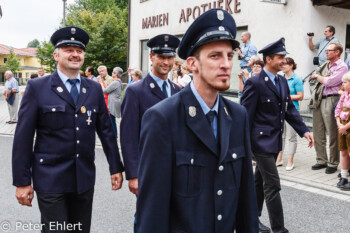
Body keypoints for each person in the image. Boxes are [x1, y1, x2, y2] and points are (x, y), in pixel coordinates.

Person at [136, 9, 258, 233]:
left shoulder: (238, 115)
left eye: (229, 56)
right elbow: (152, 209)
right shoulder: (163, 118)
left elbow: (246, 200)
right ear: (192, 64)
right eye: (215, 56)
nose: (226, 64)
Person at [12, 26, 124, 233]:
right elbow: (23, 138)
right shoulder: (38, 88)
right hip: (50, 179)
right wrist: (22, 181)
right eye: (68, 50)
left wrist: (115, 167)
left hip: (83, 179)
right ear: (56, 55)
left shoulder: (93, 89)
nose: (75, 54)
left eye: (79, 51)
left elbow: (106, 131)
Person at [241, 38, 314, 233]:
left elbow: (288, 109)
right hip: (259, 142)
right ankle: (279, 229)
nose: (284, 60)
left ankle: (252, 220)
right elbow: (245, 116)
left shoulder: (281, 80)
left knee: (259, 181)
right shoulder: (255, 83)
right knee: (273, 185)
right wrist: (243, 146)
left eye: (284, 57)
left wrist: (304, 130)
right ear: (269, 59)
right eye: (280, 57)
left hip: (274, 141)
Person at [120, 33, 181, 231]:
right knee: (148, 220)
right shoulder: (136, 91)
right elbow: (128, 136)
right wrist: (133, 174)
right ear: (151, 57)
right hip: (149, 171)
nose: (166, 62)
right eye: (161, 57)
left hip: (177, 171)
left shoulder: (178, 91)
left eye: (170, 57)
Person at [309, 42, 348, 174]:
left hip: (332, 99)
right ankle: (321, 160)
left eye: (329, 50)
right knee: (318, 131)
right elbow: (312, 79)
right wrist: (319, 77)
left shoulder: (342, 66)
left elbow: (330, 82)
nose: (326, 52)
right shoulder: (325, 65)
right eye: (326, 50)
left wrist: (318, 77)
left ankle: (333, 162)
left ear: (337, 52)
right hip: (319, 99)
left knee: (332, 132)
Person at [275, 57, 304, 171]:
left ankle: (290, 160)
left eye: (285, 64)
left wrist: (286, 97)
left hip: (292, 111)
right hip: (280, 110)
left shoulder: (296, 79)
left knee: (291, 137)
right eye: (281, 65)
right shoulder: (280, 78)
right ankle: (279, 158)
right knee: (280, 135)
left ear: (291, 65)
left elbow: (300, 96)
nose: (282, 66)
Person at [335, 72, 350, 190]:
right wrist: (339, 124)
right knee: (343, 151)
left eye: (345, 82)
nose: (343, 84)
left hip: (348, 126)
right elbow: (338, 109)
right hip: (342, 126)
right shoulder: (344, 95)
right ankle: (344, 176)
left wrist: (346, 127)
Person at [99, 67, 123, 139]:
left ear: (115, 74)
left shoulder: (115, 83)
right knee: (112, 120)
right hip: (115, 102)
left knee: (112, 121)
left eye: (113, 72)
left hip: (112, 103)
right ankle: (114, 136)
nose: (112, 73)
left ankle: (114, 136)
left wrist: (100, 82)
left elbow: (104, 91)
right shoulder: (119, 82)